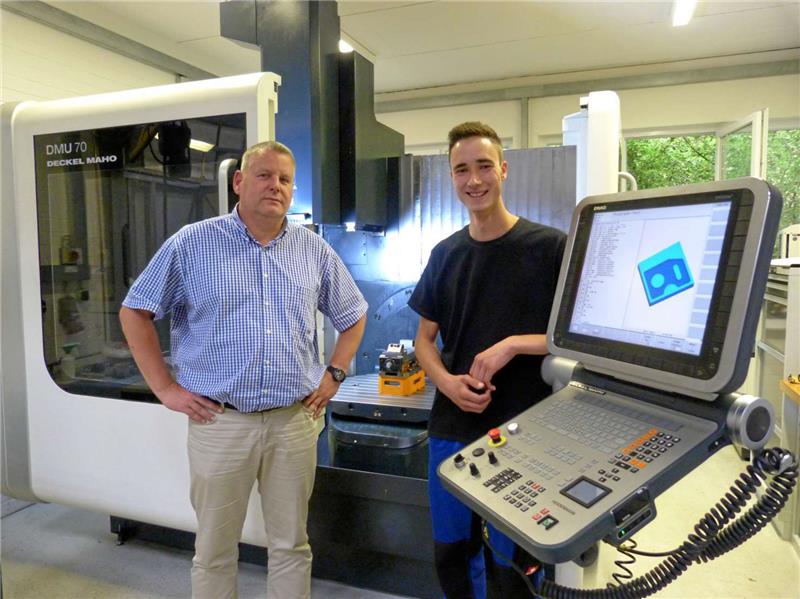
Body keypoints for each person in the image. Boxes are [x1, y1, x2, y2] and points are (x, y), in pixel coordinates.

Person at [119, 140, 367, 599]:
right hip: (219, 422)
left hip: (293, 422)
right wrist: (165, 389)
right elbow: (135, 311)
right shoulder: (192, 243)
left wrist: (334, 374)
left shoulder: (312, 251)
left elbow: (353, 315)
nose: (276, 186)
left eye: (285, 179)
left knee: (292, 544)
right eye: (264, 175)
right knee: (214, 548)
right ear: (239, 182)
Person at [408, 122, 566, 598]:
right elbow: (423, 341)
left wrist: (515, 343)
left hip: (525, 427)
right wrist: (447, 383)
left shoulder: (550, 248)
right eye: (462, 170)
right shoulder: (445, 254)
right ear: (452, 178)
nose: (473, 180)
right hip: (453, 427)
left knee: (511, 561)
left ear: (503, 169)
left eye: (483, 167)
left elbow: (574, 339)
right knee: (452, 554)